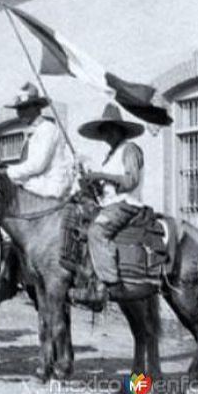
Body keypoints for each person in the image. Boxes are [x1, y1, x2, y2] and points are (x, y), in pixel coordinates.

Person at [69, 103, 146, 309]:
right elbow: (107, 188)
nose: (106, 135)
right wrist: (91, 182)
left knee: (96, 231)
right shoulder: (110, 155)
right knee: (77, 226)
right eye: (103, 131)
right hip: (109, 204)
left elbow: (131, 181)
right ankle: (86, 280)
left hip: (126, 204)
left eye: (109, 129)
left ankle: (112, 284)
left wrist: (101, 175)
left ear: (119, 129)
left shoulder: (130, 149)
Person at [4, 82, 75, 198]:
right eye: (19, 109)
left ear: (37, 107)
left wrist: (8, 172)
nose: (21, 113)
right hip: (39, 186)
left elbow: (37, 165)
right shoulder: (34, 132)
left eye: (25, 108)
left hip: (51, 189)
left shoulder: (47, 128)